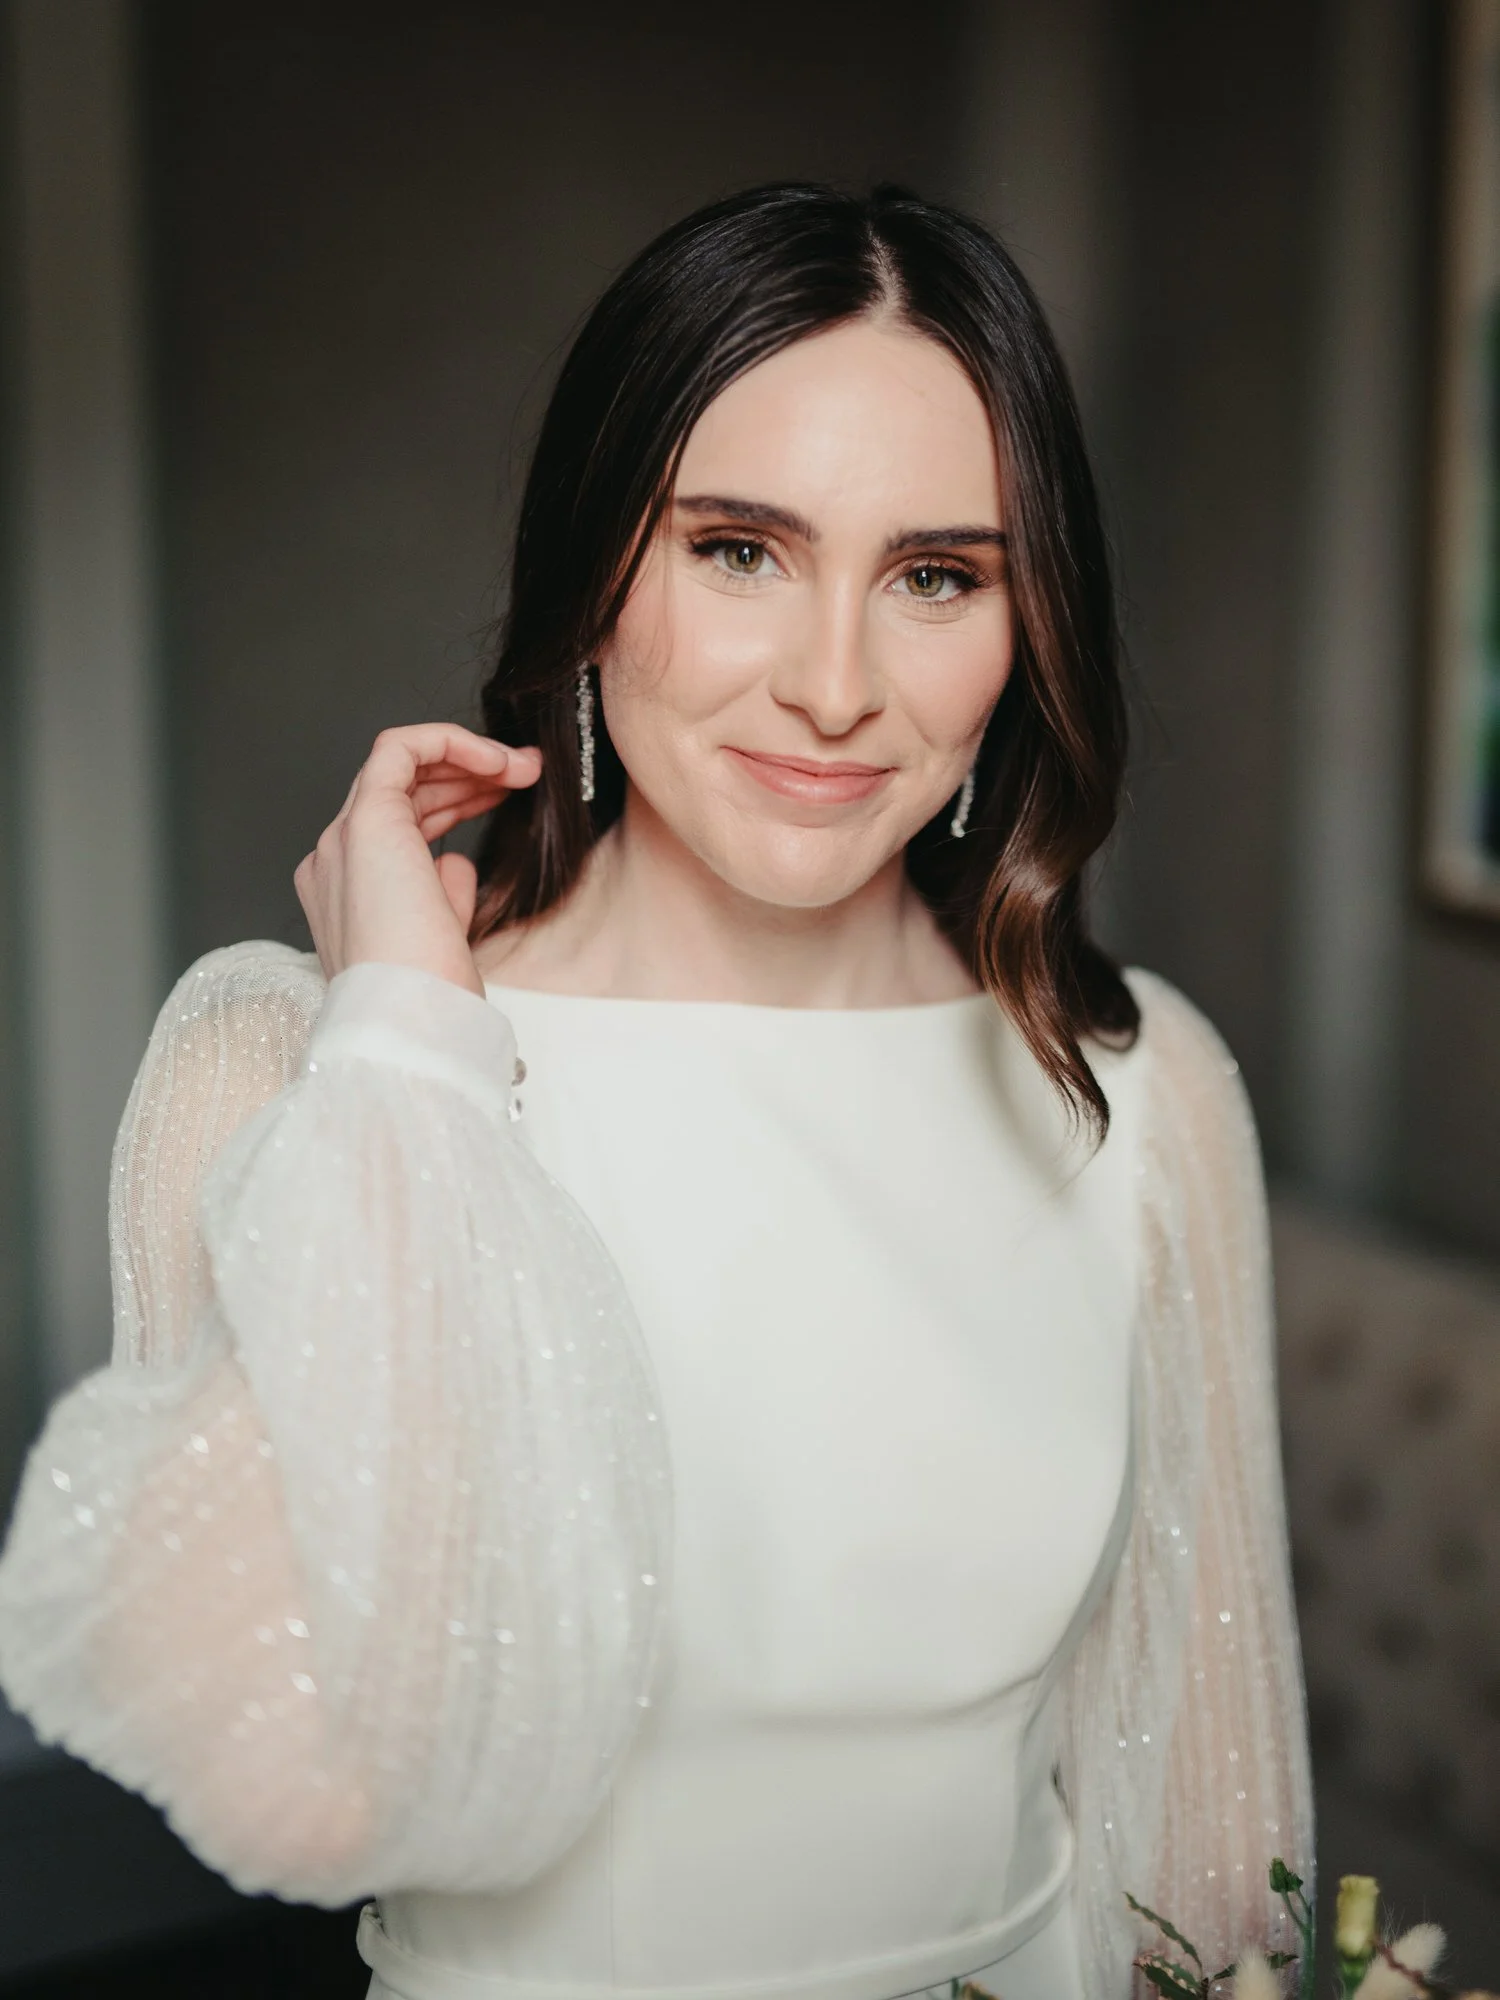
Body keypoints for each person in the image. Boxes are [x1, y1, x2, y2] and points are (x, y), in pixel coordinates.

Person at [0, 183, 1313, 2000]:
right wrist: (405, 1051)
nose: (836, 685)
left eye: (936, 577)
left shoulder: (1150, 1095)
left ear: (1028, 635)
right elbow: (317, 1790)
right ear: (600, 568)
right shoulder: (286, 1068)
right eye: (739, 550)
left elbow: (1212, 1834)